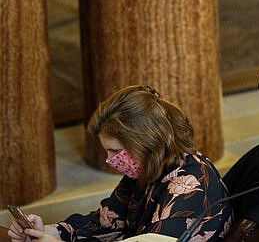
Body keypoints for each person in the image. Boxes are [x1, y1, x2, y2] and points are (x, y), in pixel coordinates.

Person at [9, 85, 233, 242]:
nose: (109, 160)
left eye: (115, 151)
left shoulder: (189, 183)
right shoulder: (149, 169)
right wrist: (48, 231)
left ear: (144, 141)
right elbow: (106, 221)